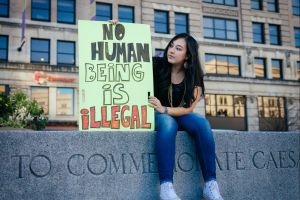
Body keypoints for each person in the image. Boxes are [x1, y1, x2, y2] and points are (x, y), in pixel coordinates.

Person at [148, 33, 224, 200]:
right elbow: (128, 60)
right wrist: (117, 30)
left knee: (202, 123)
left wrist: (165, 108)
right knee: (168, 123)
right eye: (171, 46)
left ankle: (211, 186)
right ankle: (166, 188)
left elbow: (189, 108)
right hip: (154, 114)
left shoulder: (194, 77)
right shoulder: (156, 64)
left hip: (175, 113)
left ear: (188, 55)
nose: (171, 50)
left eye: (178, 48)